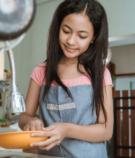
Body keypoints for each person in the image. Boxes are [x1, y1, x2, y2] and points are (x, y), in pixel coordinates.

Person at [18, 0, 113, 157]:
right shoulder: (41, 71)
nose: (71, 41)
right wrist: (30, 122)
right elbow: (23, 117)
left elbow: (106, 130)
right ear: (58, 28)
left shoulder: (100, 74)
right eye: (66, 31)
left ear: (93, 37)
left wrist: (67, 129)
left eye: (82, 36)